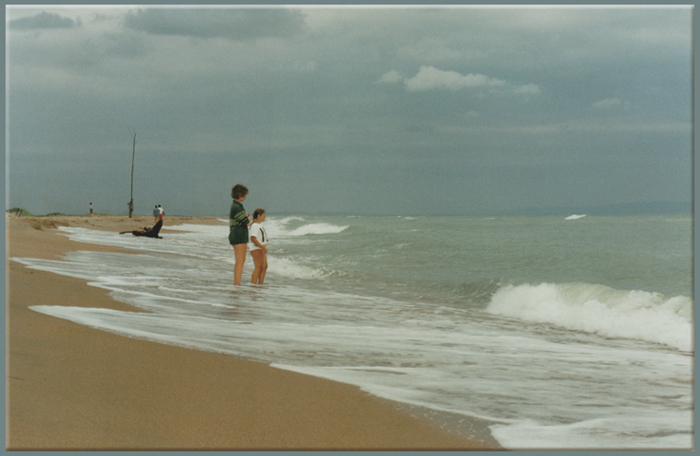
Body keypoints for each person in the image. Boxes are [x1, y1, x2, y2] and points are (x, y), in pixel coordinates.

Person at [229, 184, 251, 286]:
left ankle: (237, 284)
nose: (246, 196)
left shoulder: (237, 206)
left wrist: (246, 217)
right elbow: (247, 222)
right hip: (238, 235)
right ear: (240, 194)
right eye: (244, 194)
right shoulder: (237, 207)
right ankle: (237, 284)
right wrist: (248, 217)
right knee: (240, 261)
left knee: (240, 261)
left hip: (237, 235)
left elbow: (244, 220)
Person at [249, 208, 269, 285]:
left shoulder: (259, 225)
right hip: (256, 248)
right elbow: (252, 238)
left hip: (261, 248)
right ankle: (253, 284)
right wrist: (262, 247)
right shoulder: (255, 226)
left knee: (264, 267)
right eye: (263, 216)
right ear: (258, 215)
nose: (265, 217)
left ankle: (260, 284)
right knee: (258, 267)